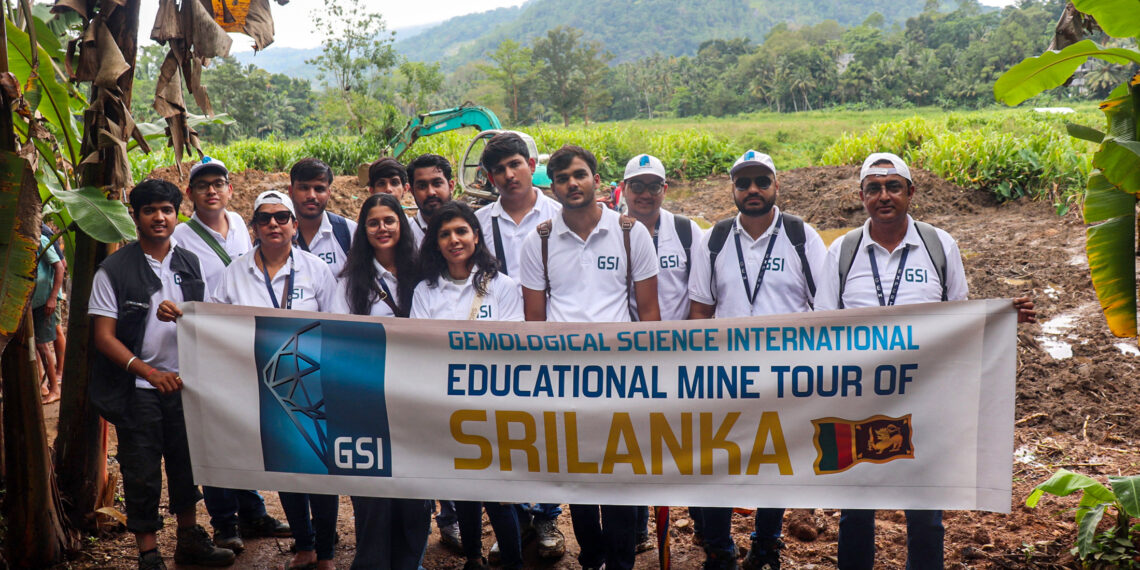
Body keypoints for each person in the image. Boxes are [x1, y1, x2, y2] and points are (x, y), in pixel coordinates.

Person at [814, 152, 1035, 570]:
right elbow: (824, 326)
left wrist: (1000, 319)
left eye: (893, 186)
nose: (884, 196)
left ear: (910, 193)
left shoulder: (938, 245)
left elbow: (961, 319)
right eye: (874, 188)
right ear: (861, 197)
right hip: (859, 402)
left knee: (925, 514)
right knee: (856, 512)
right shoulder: (842, 252)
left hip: (924, 403)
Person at [518, 144, 661, 570]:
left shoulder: (631, 233)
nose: (571, 184)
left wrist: (649, 375)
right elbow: (534, 321)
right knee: (577, 480)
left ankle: (620, 562)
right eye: (561, 178)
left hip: (621, 377)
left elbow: (649, 313)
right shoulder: (538, 241)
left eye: (579, 174)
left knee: (619, 477)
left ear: (597, 181)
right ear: (553, 186)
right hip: (565, 380)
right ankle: (591, 557)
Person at [688, 150, 828, 570]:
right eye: (743, 182)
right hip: (726, 376)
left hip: (786, 374)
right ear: (732, 188)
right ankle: (719, 549)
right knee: (719, 462)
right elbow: (700, 311)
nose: (752, 189)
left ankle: (766, 544)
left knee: (775, 462)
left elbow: (826, 309)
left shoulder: (803, 237)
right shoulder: (714, 239)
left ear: (775, 186)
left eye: (761, 181)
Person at [88, 178, 235, 570]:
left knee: (187, 466)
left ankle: (189, 540)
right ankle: (148, 554)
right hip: (138, 387)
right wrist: (148, 372)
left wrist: (186, 315)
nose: (159, 217)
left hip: (185, 384)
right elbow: (103, 337)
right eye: (150, 210)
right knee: (142, 470)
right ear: (134, 217)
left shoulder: (189, 262)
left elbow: (203, 321)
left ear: (176, 215)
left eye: (167, 210)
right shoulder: (114, 270)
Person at [212, 190, 338, 570]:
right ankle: (304, 545)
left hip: (311, 386)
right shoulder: (233, 274)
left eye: (282, 217)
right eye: (264, 219)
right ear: (253, 228)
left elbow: (336, 325)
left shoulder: (316, 270)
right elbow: (215, 328)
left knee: (320, 468)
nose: (273, 224)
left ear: (295, 226)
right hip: (260, 387)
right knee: (286, 467)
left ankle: (327, 553)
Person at [170, 157, 288, 553]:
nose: (212, 190)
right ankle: (224, 522)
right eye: (202, 185)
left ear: (230, 189)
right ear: (190, 193)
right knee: (215, 433)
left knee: (241, 430)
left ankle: (253, 511)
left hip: (249, 345)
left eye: (218, 183)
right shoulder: (181, 236)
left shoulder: (242, 224)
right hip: (207, 344)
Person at [411, 201, 526, 570]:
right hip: (449, 403)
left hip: (497, 402)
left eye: (461, 231)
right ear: (435, 242)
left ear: (476, 236)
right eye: (444, 234)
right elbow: (422, 348)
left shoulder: (503, 287)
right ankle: (473, 558)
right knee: (464, 488)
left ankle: (514, 561)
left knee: (499, 493)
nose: (454, 240)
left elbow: (513, 345)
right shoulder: (425, 291)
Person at [473, 131, 566, 562]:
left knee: (549, 431)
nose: (509, 175)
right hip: (500, 344)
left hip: (551, 339)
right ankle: (513, 520)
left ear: (531, 164)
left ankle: (547, 516)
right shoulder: (479, 222)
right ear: (490, 178)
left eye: (516, 165)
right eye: (499, 170)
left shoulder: (561, 214)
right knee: (506, 432)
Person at [329, 191, 430, 569]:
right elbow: (340, 339)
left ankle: (410, 562)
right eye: (373, 222)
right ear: (363, 230)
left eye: (389, 220)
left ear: (401, 225)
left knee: (417, 490)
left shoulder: (425, 274)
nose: (382, 228)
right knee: (372, 492)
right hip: (368, 398)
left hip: (419, 399)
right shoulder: (349, 281)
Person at [620, 153, 705, 552]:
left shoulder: (689, 233)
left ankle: (704, 524)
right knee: (633, 444)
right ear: (623, 189)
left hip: (680, 359)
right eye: (637, 185)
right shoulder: (610, 232)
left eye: (653, 186)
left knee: (689, 444)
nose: (645, 194)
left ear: (664, 190)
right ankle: (637, 528)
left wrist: (684, 350)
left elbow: (702, 296)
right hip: (627, 360)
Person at [289, 158, 357, 277]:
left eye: (319, 189)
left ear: (329, 193)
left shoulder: (349, 232)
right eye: (304, 188)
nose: (311, 195)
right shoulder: (278, 235)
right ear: (291, 191)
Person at [33, 225, 66, 404]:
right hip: (31, 301)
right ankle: (43, 384)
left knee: (43, 345)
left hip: (44, 301)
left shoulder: (40, 238)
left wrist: (53, 297)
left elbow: (60, 267)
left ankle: (55, 388)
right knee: (37, 345)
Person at [407, 154, 455, 246]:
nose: (430, 192)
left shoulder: (471, 226)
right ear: (412, 191)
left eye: (437, 184)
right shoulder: (405, 234)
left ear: (451, 186)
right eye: (422, 186)